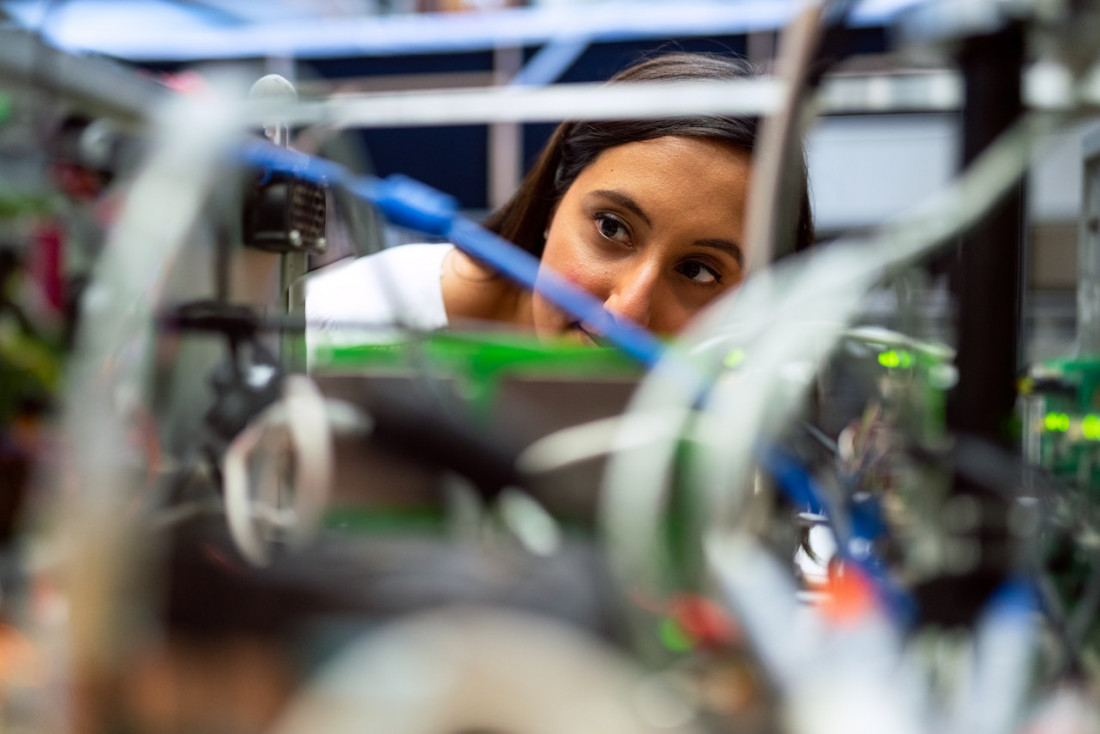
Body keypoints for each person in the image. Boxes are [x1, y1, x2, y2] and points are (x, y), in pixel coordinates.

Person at [305, 51, 814, 348]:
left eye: (698, 270)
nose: (625, 312)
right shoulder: (343, 327)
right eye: (612, 229)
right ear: (553, 201)